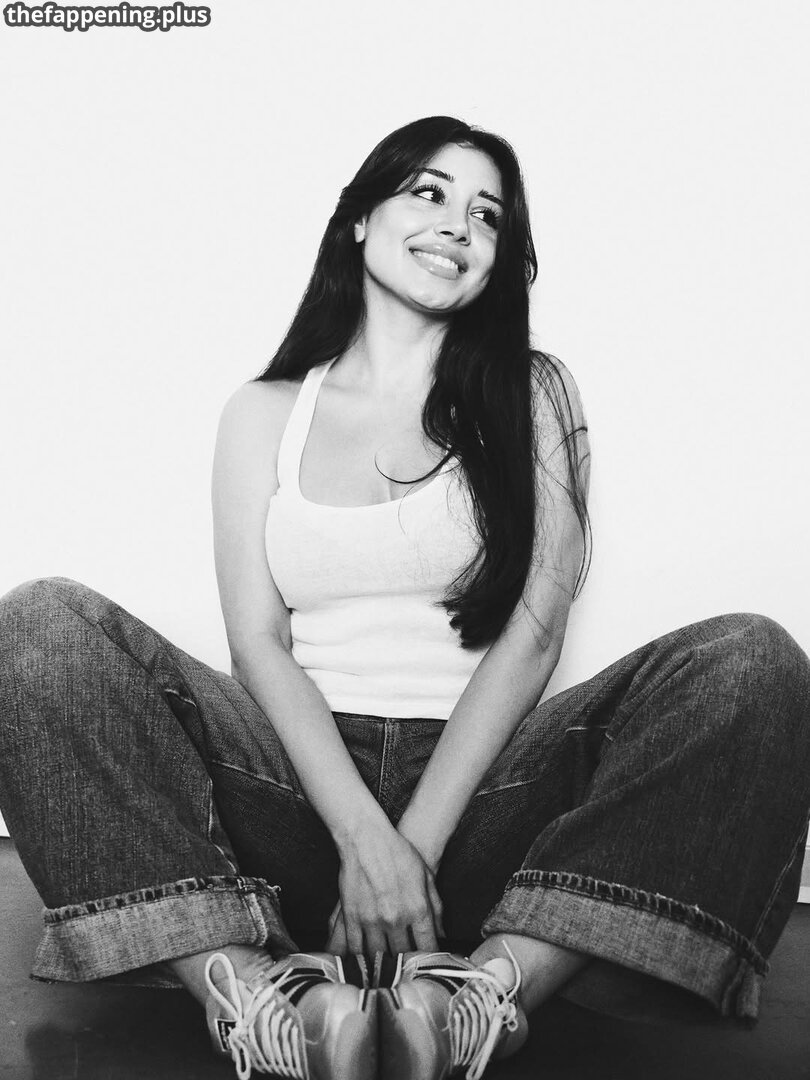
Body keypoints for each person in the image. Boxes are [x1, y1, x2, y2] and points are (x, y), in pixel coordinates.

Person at [1, 115, 809, 1080]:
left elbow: (535, 634)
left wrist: (407, 852)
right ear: (360, 218)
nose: (457, 225)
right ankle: (263, 1001)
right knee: (39, 624)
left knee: (750, 660)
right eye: (429, 192)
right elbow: (258, 644)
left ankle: (483, 993)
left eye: (487, 215)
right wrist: (358, 838)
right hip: (294, 793)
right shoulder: (263, 411)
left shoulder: (538, 393)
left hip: (486, 800)